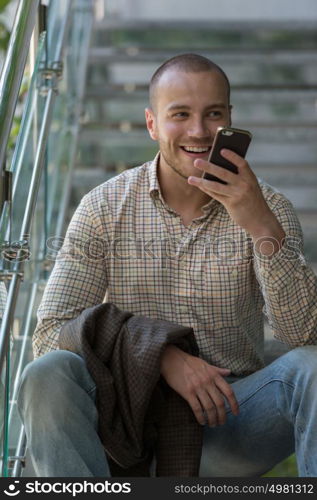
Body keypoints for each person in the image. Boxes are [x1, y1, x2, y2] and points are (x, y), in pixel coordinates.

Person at [17, 53, 317, 477]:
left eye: (213, 114)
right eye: (180, 114)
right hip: (123, 424)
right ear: (152, 123)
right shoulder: (103, 207)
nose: (198, 131)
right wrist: (160, 356)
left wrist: (261, 227)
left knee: (312, 368)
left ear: (230, 119)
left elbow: (303, 335)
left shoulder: (270, 209)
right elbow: (48, 336)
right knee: (48, 372)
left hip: (229, 420)